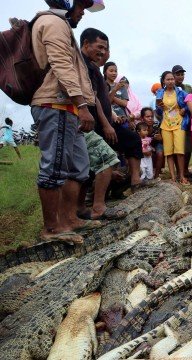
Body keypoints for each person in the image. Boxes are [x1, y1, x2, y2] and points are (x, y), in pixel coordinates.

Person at [31, 0, 103, 244]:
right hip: (56, 104)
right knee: (55, 166)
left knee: (78, 165)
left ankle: (69, 219)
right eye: (81, 7)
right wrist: (82, 106)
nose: (82, 13)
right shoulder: (53, 22)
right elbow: (62, 66)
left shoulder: (60, 24)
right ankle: (52, 229)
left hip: (68, 107)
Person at [77, 27, 120, 220]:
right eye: (100, 47)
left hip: (88, 121)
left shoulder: (91, 66)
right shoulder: (80, 64)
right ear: (86, 44)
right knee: (108, 159)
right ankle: (98, 207)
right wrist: (106, 123)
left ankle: (80, 209)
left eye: (106, 49)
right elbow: (92, 99)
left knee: (82, 168)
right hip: (80, 120)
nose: (103, 52)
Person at [103, 61, 143, 190]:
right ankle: (110, 187)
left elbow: (125, 104)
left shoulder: (123, 88)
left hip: (122, 122)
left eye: (115, 71)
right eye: (111, 70)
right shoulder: (102, 85)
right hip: (106, 122)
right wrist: (114, 91)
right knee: (113, 153)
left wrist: (114, 94)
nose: (114, 73)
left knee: (134, 140)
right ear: (105, 72)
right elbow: (106, 102)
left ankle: (135, 180)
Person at [156, 71, 189, 184]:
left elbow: (189, 103)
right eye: (168, 79)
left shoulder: (180, 92)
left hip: (179, 123)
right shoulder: (160, 92)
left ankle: (182, 176)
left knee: (179, 151)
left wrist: (185, 109)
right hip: (165, 124)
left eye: (172, 79)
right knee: (169, 152)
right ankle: (173, 177)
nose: (170, 81)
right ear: (164, 81)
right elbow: (159, 111)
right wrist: (159, 107)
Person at [173, 64, 192, 179]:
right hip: (172, 122)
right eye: (178, 74)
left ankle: (185, 170)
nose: (180, 77)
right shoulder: (168, 88)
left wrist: (185, 109)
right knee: (176, 147)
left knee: (187, 146)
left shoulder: (188, 88)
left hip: (186, 121)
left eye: (182, 74)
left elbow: (191, 102)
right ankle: (178, 171)